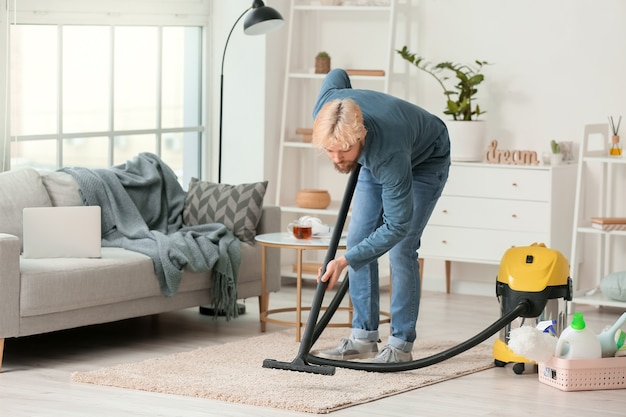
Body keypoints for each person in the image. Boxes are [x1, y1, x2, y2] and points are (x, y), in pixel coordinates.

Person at [311, 68, 450, 363]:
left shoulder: (388, 154)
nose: (336, 159)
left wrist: (345, 260)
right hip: (376, 153)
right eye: (330, 150)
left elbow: (396, 225)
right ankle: (363, 338)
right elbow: (337, 74)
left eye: (344, 151)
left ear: (360, 136)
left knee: (402, 248)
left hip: (426, 158)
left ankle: (400, 344)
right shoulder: (326, 110)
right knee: (359, 238)